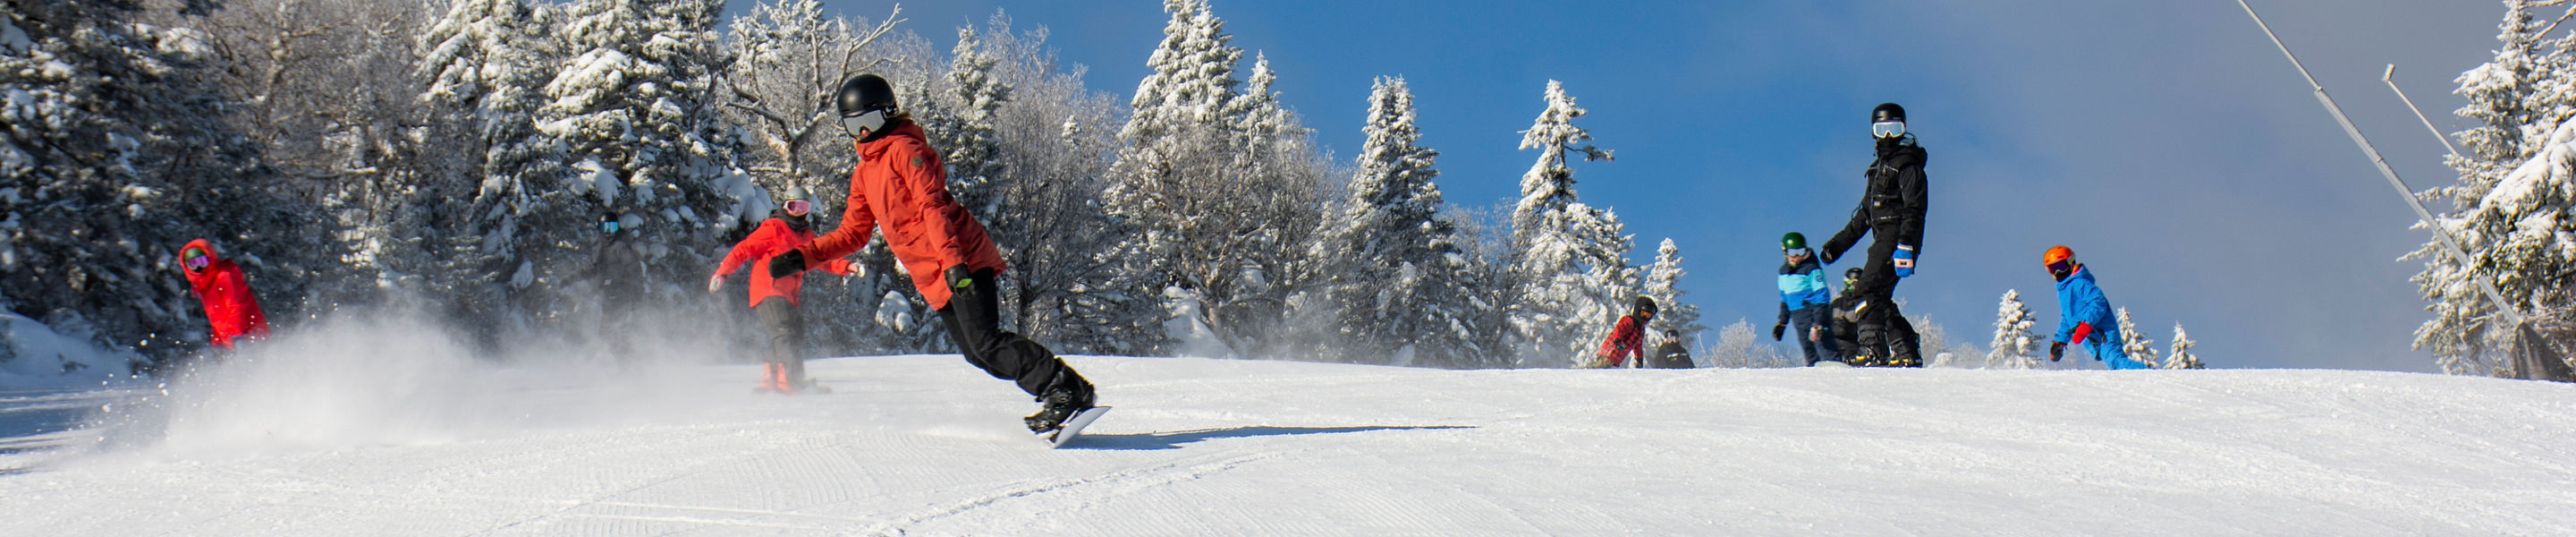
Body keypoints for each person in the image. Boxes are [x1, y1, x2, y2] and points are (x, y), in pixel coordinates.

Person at [767, 73, 1098, 432]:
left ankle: (1062, 390)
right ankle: (1067, 388)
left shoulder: (905, 151)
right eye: (853, 125)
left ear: (889, 113)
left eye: (869, 121)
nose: (863, 133)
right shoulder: (864, 175)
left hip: (961, 258)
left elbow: (932, 208)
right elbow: (853, 233)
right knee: (976, 353)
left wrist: (956, 264)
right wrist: (805, 256)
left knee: (986, 341)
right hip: (934, 273)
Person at [1818, 102, 1928, 368]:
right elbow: (1863, 217)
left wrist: (1905, 245)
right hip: (1883, 239)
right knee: (1877, 297)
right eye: (1883, 129)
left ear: (1904, 130)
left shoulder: (1908, 167)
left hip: (1897, 237)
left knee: (1865, 290)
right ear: (1874, 133)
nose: (1889, 136)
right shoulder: (1877, 170)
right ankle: (1906, 350)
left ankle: (1873, 350)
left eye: (1894, 129)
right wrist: (1837, 246)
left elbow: (1915, 209)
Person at [712, 186, 855, 394]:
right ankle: (790, 379)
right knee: (785, 331)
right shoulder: (774, 228)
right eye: (793, 206)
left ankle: (772, 377)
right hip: (769, 289)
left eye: (803, 207)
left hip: (788, 295)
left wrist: (846, 266)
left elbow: (821, 258)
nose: (798, 213)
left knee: (793, 330)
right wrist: (723, 273)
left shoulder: (806, 236)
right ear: (785, 206)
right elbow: (744, 249)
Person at [2043, 246, 2147, 370]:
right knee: (2112, 362)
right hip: (2094, 338)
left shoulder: (2080, 283)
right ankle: (2140, 380)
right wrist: (2060, 342)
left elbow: (2098, 302)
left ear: (2071, 263)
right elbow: (2067, 318)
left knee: (2115, 361)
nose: (2058, 272)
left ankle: (2148, 375)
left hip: (2104, 333)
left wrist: (2086, 325)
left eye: (2061, 266)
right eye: (2053, 269)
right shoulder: (2064, 291)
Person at [178, 239, 269, 350]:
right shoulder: (205, 285)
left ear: (210, 258)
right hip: (230, 340)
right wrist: (218, 342)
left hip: (248, 335)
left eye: (202, 261)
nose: (198, 268)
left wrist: (238, 335)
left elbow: (236, 305)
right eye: (193, 264)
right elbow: (217, 317)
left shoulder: (224, 276)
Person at [1773, 232, 1840, 366]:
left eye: (1801, 252)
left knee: (1824, 346)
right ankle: (1815, 375)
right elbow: (1785, 300)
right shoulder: (1783, 273)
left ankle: (1836, 367)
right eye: (1793, 252)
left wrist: (1818, 322)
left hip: (1813, 313)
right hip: (1798, 318)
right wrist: (1782, 323)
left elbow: (1822, 295)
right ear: (1785, 252)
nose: (1797, 256)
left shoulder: (1811, 269)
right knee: (1808, 350)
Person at [592, 213, 648, 358]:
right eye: (605, 228)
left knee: (614, 328)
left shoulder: (621, 247)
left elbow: (634, 269)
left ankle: (624, 360)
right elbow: (596, 269)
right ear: (599, 229)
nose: (609, 232)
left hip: (622, 293)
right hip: (609, 294)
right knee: (607, 329)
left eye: (612, 227)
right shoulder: (601, 247)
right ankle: (616, 359)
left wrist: (638, 292)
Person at [1584, 296, 1656, 369]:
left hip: (1616, 360)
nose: (1645, 318)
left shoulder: (1641, 330)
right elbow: (1619, 329)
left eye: (1648, 316)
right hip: (1608, 353)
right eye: (1643, 314)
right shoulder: (1628, 321)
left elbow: (1638, 346)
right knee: (1598, 370)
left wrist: (1639, 359)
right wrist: (1617, 340)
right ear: (1638, 311)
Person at [1828, 267, 1872, 366]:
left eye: (1857, 284)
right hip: (1834, 342)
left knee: (1848, 349)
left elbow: (1867, 326)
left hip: (1853, 344)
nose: (1855, 287)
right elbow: (1826, 322)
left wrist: (1848, 328)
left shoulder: (1863, 304)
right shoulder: (1837, 303)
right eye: (1853, 284)